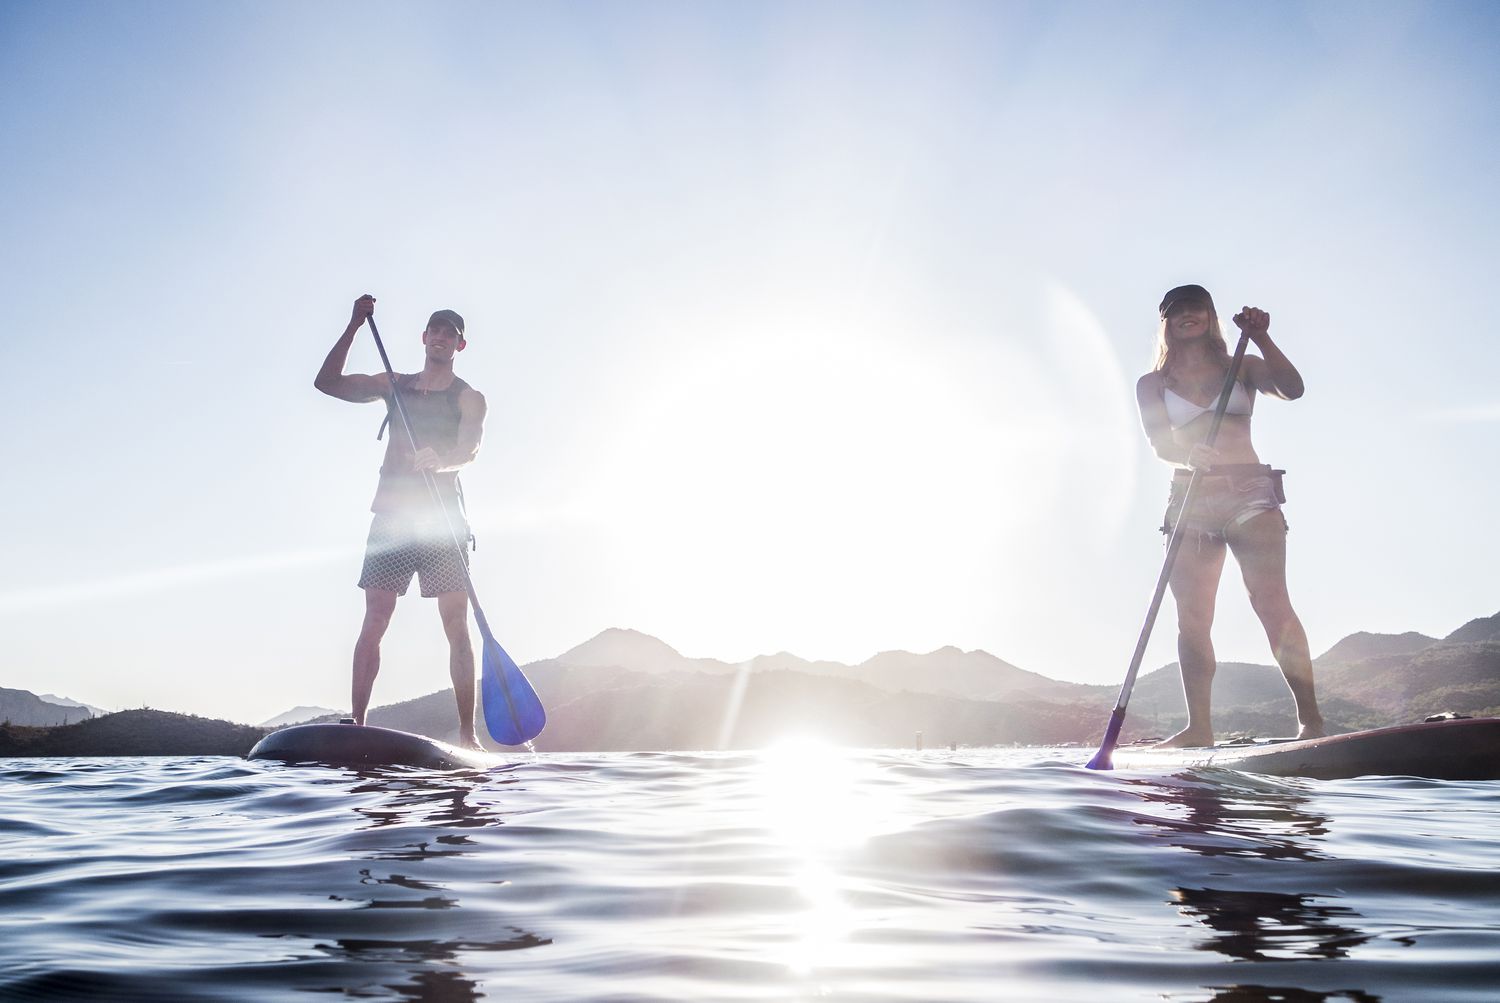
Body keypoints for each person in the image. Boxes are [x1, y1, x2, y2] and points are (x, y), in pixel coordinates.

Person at [1135, 284, 1325, 747]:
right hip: (1191, 498)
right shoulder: (1152, 384)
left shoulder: (1240, 365)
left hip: (1249, 493)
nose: (1187, 314)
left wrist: (1261, 338)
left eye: (1196, 307)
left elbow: (1293, 389)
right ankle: (1199, 729)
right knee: (1192, 620)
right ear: (1166, 322)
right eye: (1177, 310)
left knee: (1271, 604)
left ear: (1211, 316)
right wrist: (1185, 450)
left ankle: (1311, 723)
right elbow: (1161, 445)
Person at [314, 294, 488, 749]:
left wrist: (443, 459)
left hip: (442, 522)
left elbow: (470, 450)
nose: (442, 338)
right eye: (436, 330)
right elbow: (327, 383)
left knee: (456, 625)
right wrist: (353, 323)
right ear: (424, 337)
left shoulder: (469, 397)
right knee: (375, 617)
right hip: (392, 518)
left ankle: (469, 736)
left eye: (451, 334)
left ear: (460, 345)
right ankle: (359, 723)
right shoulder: (394, 384)